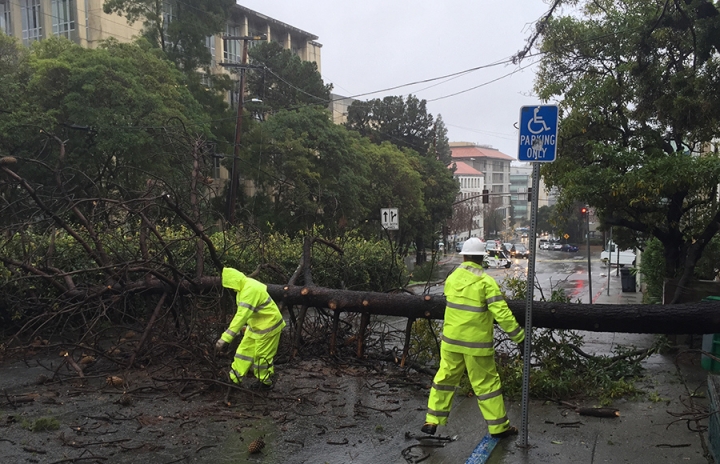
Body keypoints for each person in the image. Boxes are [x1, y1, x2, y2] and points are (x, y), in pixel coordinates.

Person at [421, 237, 525, 438]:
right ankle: (498, 427)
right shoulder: (486, 283)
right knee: (487, 385)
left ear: (464, 256)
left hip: (451, 342)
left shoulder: (451, 279)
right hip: (476, 345)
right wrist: (519, 336)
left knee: (445, 378)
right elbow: (502, 313)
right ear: (482, 258)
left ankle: (432, 420)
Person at [215, 267, 286, 389]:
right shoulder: (243, 288)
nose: (230, 289)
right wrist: (241, 328)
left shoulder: (249, 290)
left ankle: (265, 382)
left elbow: (241, 316)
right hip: (256, 326)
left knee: (262, 356)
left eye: (230, 286)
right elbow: (246, 313)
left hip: (269, 326)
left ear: (233, 282)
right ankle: (234, 378)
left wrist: (225, 338)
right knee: (243, 352)